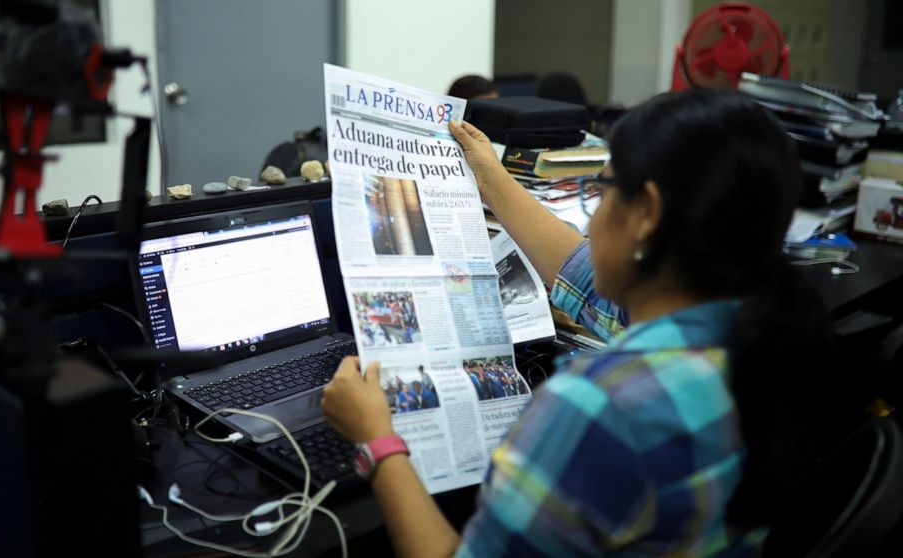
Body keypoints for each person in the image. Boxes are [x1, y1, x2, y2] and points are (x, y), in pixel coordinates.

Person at [321, 89, 853, 557]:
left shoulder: (601, 408)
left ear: (645, 212)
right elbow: (576, 269)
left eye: (599, 191)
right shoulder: (763, 334)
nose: (591, 218)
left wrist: (378, 442)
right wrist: (493, 178)